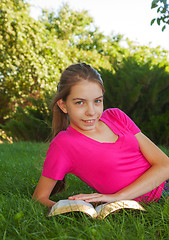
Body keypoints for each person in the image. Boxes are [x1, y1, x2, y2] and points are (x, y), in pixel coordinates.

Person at [32, 63, 169, 208]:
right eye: (80, 102)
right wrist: (76, 210)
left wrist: (117, 197)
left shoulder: (116, 116)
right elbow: (39, 197)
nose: (91, 111)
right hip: (158, 199)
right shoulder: (64, 143)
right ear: (63, 105)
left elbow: (165, 165)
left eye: (97, 101)